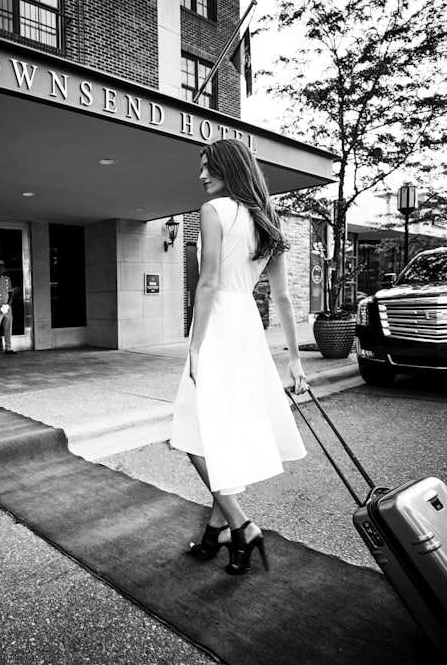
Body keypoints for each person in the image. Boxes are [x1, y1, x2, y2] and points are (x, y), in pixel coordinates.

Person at [171, 138, 309, 576]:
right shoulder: (267, 219)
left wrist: (194, 345)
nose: (201, 175)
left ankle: (240, 524)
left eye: (208, 166)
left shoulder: (214, 212)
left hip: (217, 326)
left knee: (191, 429)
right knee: (218, 429)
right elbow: (284, 299)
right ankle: (218, 533)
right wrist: (294, 359)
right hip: (247, 325)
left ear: (229, 167)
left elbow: (208, 283)